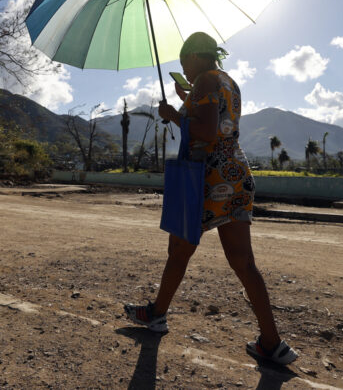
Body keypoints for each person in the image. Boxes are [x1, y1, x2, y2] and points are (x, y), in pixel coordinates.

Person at [124, 32, 298, 366]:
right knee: (243, 263)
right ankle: (272, 343)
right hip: (235, 175)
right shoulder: (226, 81)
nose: (185, 72)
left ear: (195, 56)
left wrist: (172, 113)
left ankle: (157, 315)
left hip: (206, 177)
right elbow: (215, 119)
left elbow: (205, 131)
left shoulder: (204, 80)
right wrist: (187, 98)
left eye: (184, 64)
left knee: (179, 250)